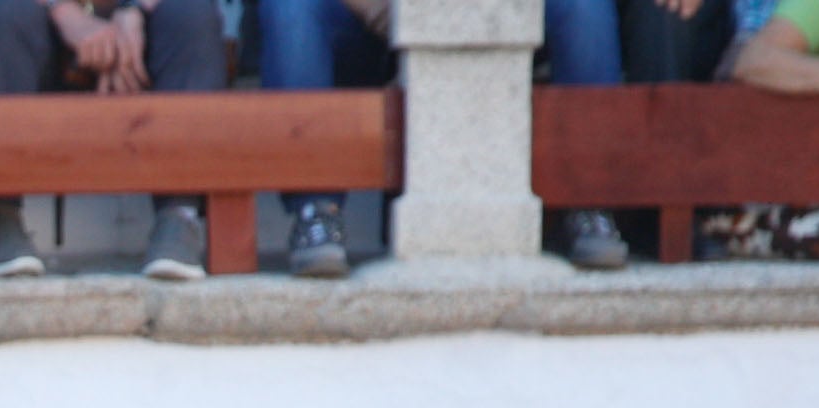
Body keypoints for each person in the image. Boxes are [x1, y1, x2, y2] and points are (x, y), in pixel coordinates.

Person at [259, 0, 629, 275]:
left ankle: (591, 204)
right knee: (291, 7)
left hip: (499, 11)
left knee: (584, 8)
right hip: (361, 16)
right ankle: (315, 212)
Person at [0, 0, 230, 279]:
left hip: (145, 18)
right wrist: (65, 12)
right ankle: (1, 212)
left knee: (191, 14)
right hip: (43, 15)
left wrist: (132, 11)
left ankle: (180, 214)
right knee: (5, 14)